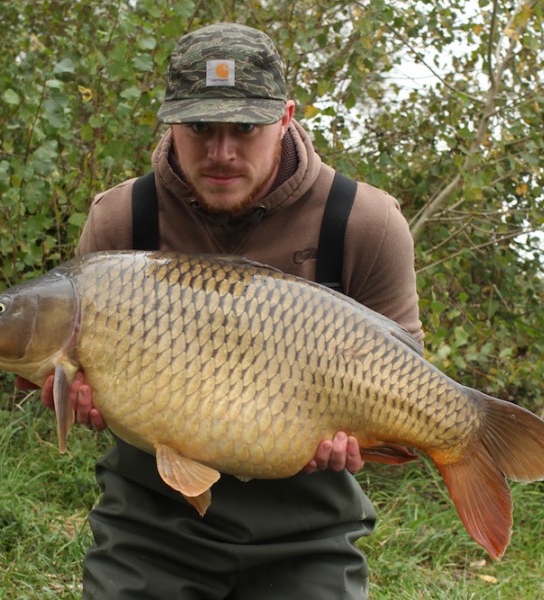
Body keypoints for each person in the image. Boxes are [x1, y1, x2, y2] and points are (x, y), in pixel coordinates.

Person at [31, 22, 423, 599]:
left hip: (308, 536)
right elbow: (75, 369)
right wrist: (79, 394)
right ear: (170, 121)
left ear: (286, 117)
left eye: (244, 128)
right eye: (199, 127)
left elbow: (405, 370)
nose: (221, 152)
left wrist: (368, 433)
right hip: (150, 527)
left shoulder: (363, 222)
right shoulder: (121, 220)